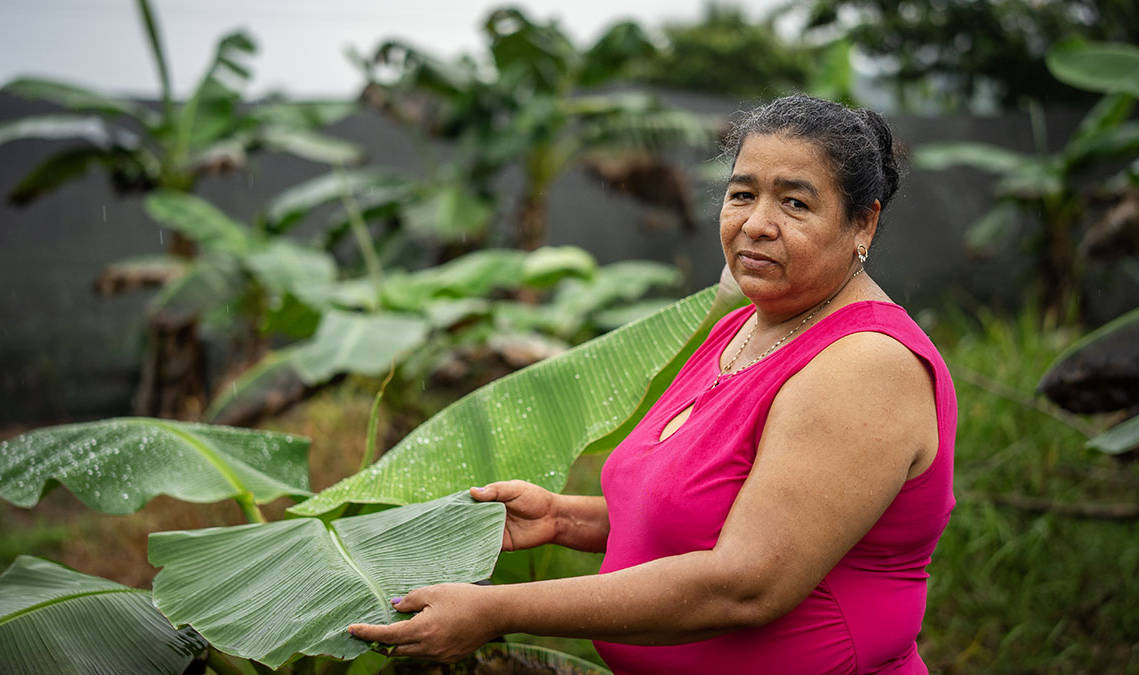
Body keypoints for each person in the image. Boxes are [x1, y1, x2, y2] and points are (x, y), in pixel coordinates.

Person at [348, 94, 957, 674]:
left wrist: (497, 610)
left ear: (863, 225)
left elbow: (746, 584)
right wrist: (563, 519)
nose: (757, 224)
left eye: (795, 204)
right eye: (742, 194)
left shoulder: (866, 365)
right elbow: (703, 511)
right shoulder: (745, 328)